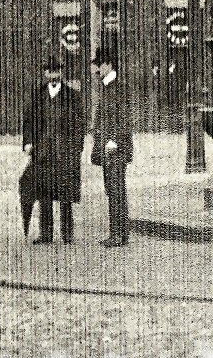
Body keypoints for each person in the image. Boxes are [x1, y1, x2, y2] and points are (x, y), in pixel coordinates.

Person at [19, 59, 85, 245]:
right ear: (45, 74)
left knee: (65, 194)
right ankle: (46, 234)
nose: (54, 75)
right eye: (50, 72)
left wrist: (75, 149)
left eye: (57, 71)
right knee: (44, 193)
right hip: (43, 152)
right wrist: (28, 142)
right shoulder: (38, 95)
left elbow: (79, 125)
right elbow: (29, 121)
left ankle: (67, 233)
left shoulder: (72, 96)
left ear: (61, 73)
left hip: (64, 152)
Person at [91, 47, 133, 248]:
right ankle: (118, 233)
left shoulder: (118, 87)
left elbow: (123, 118)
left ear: (108, 64)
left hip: (116, 148)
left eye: (99, 65)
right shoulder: (107, 86)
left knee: (116, 190)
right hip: (108, 148)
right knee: (112, 189)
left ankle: (119, 234)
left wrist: (114, 140)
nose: (97, 70)